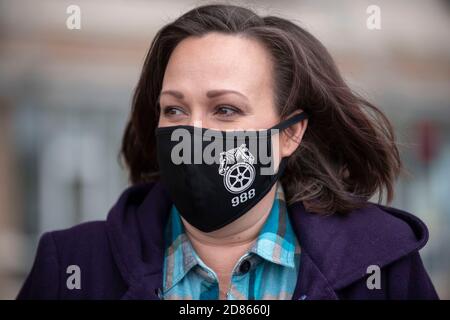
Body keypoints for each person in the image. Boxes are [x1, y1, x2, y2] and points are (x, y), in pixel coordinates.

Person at [17, 4, 438, 300]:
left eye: (225, 109)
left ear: (289, 134)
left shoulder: (382, 268)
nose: (193, 132)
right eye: (175, 109)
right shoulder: (72, 266)